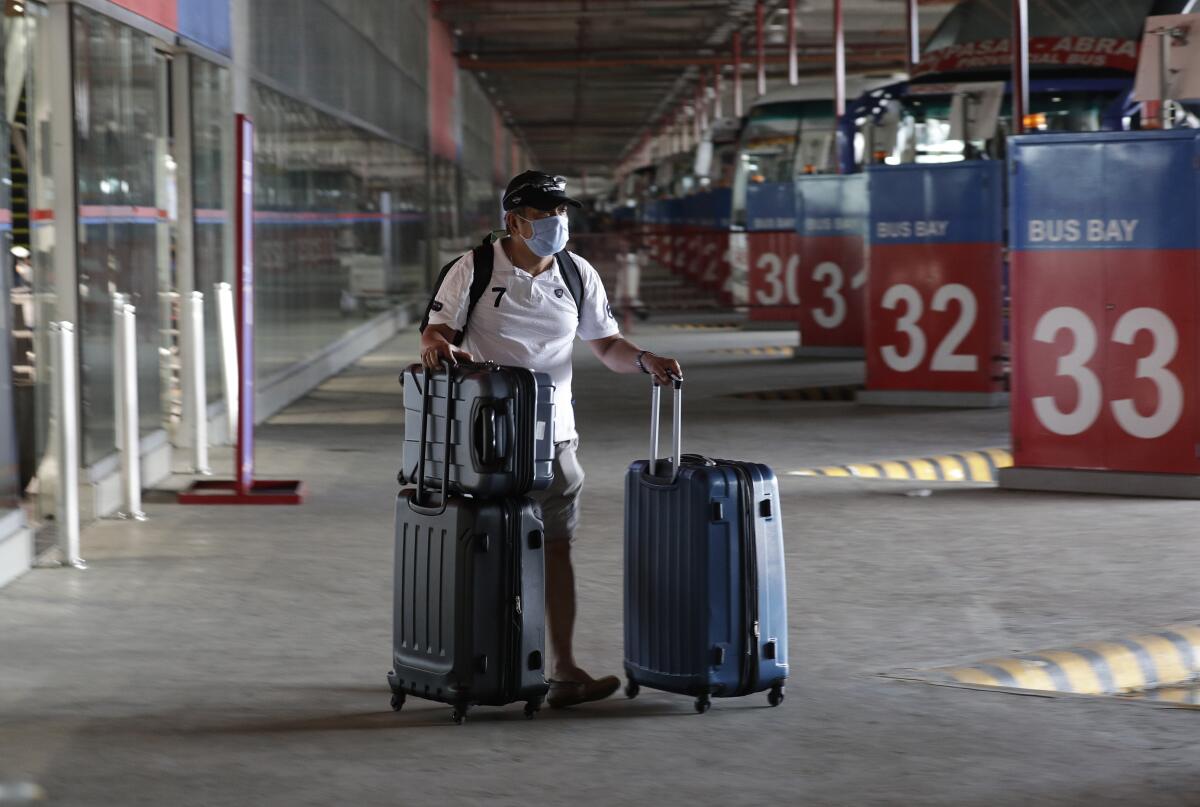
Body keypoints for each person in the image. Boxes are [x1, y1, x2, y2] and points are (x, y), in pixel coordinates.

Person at [420, 171, 683, 709]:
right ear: (514, 221)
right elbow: (437, 330)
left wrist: (643, 360)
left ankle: (564, 670)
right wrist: (437, 347)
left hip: (555, 438)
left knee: (556, 550)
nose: (557, 223)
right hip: (485, 441)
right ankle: (473, 662)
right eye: (545, 215)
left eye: (562, 213)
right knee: (482, 548)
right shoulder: (471, 269)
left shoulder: (577, 272)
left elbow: (605, 343)